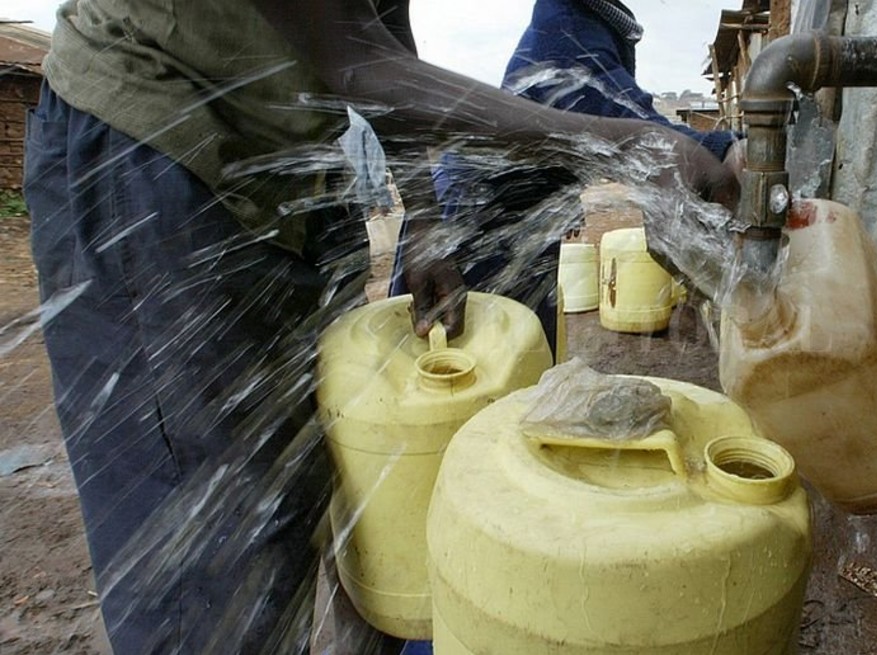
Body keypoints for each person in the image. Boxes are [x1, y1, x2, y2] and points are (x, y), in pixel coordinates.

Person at [22, 1, 737, 653]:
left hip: (288, 181)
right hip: (152, 156)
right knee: (208, 568)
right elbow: (360, 66)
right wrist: (631, 145)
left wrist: (424, 223)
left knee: (320, 500)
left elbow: (382, 32)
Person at [389, 0, 743, 353]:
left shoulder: (592, 20)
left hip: (520, 219)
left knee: (522, 358)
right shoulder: (566, 25)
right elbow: (618, 114)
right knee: (454, 367)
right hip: (478, 220)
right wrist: (725, 147)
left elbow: (585, 129)